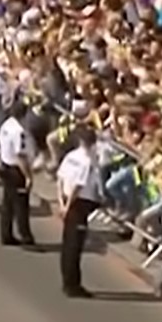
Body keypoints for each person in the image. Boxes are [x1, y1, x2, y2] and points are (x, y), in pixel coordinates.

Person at [54, 128, 103, 298]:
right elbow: (78, 186)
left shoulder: (71, 156)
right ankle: (72, 285)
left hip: (67, 200)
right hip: (78, 203)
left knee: (67, 243)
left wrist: (61, 202)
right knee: (74, 246)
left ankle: (67, 281)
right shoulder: (86, 162)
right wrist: (68, 206)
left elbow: (60, 179)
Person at [0, 101, 33, 245]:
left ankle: (6, 234)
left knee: (7, 203)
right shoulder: (19, 131)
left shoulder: (6, 124)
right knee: (21, 205)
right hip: (15, 170)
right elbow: (20, 156)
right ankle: (25, 235)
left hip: (5, 164)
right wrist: (28, 176)